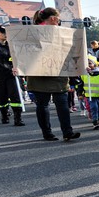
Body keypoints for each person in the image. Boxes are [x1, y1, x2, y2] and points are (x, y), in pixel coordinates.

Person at [27, 7, 81, 142]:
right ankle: (56, 132)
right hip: (46, 73)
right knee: (52, 105)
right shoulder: (38, 32)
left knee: (51, 104)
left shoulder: (32, 32)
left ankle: (60, 132)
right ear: (53, 19)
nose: (59, 21)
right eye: (59, 19)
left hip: (49, 73)